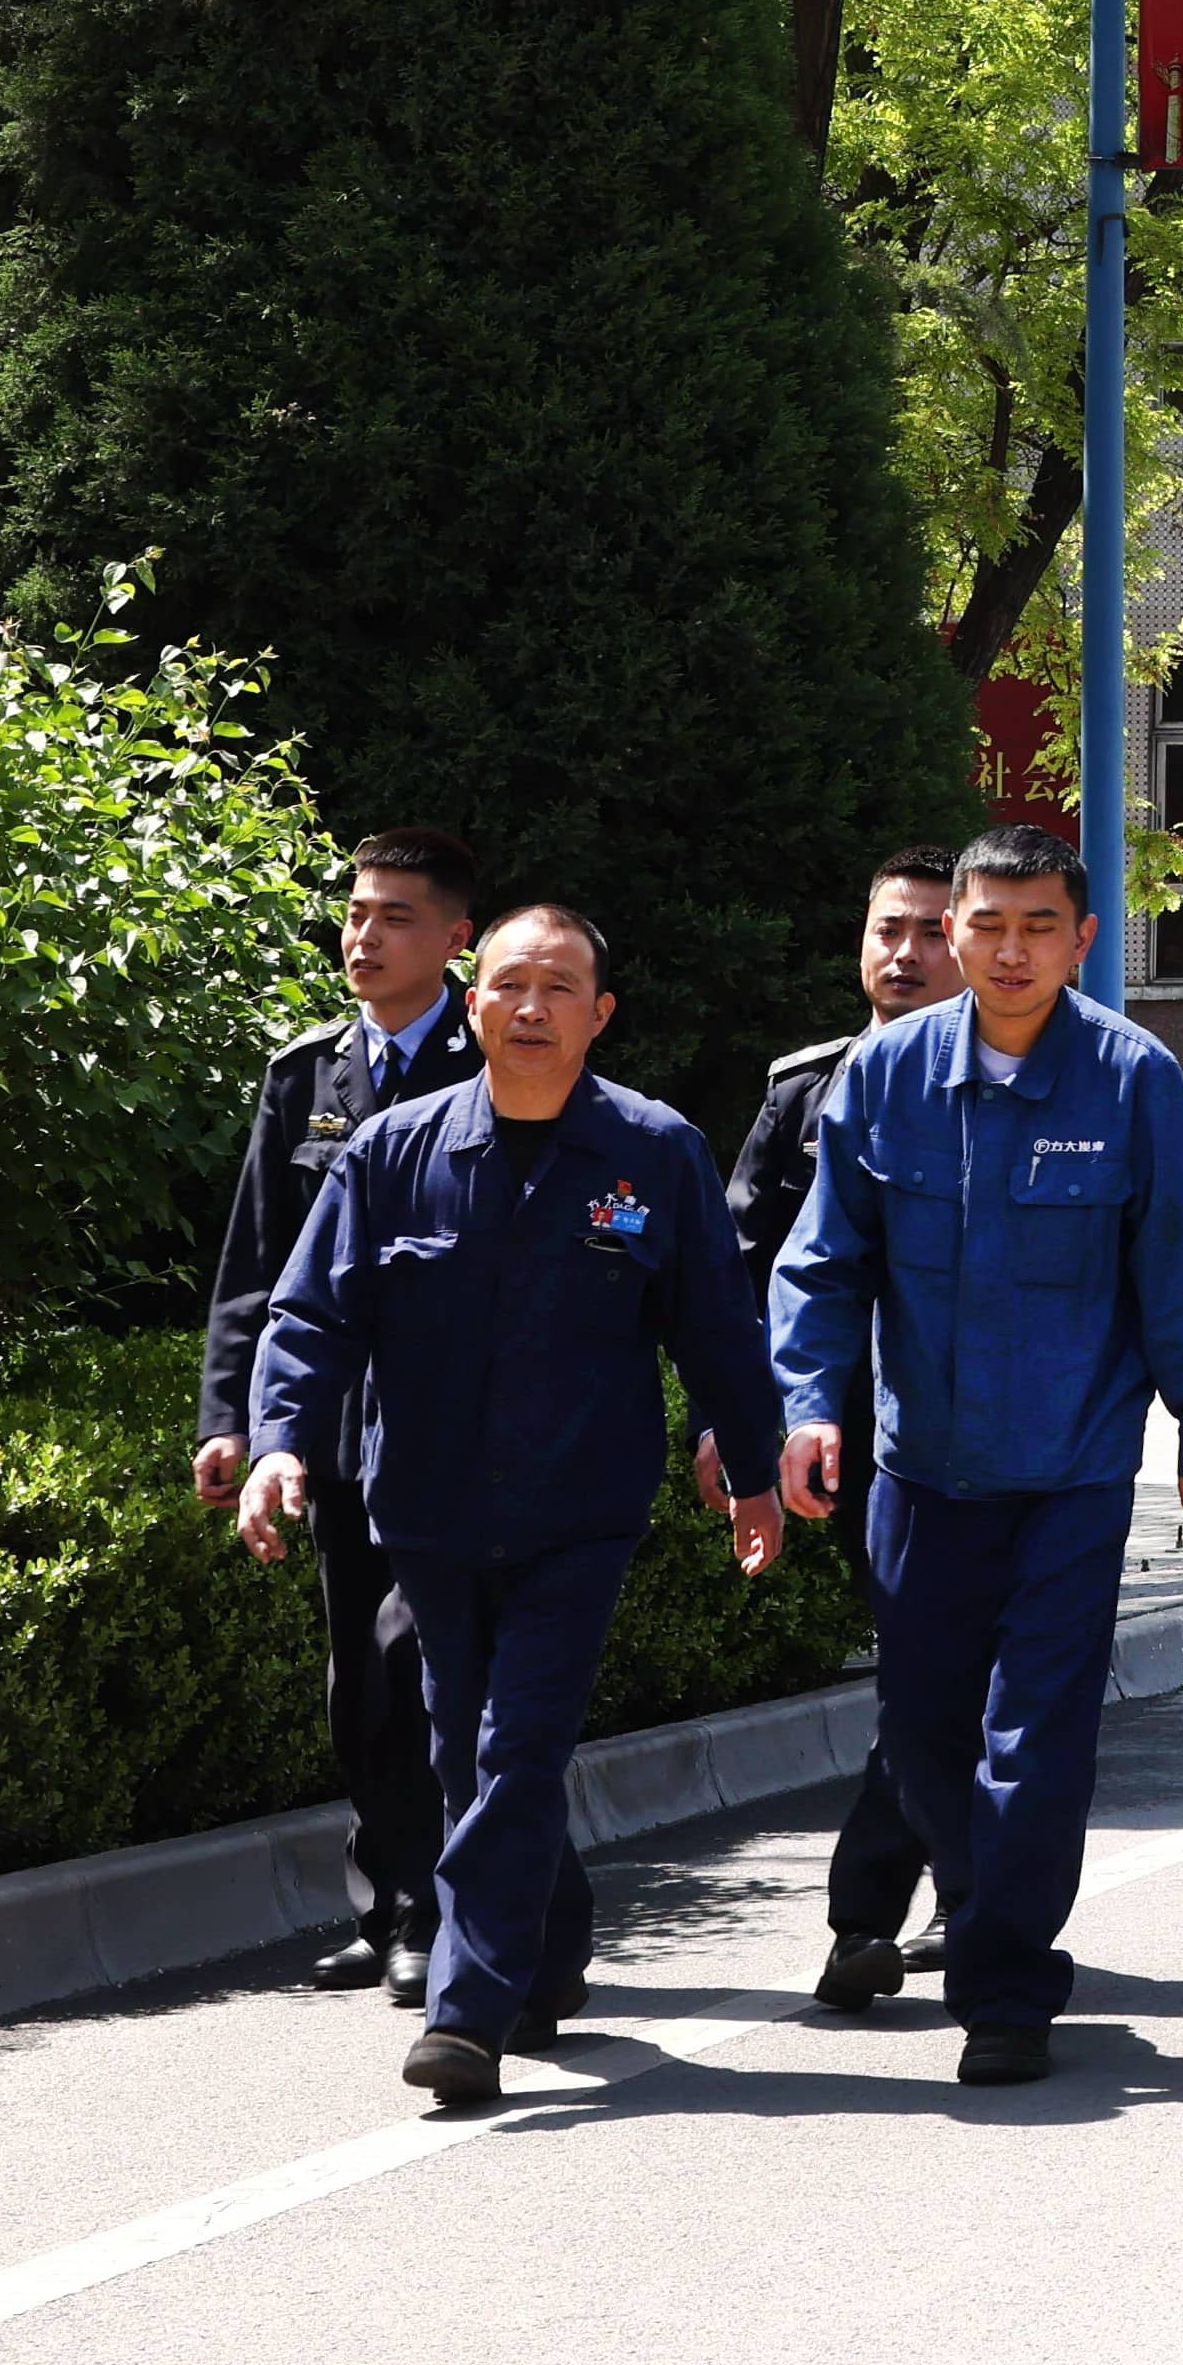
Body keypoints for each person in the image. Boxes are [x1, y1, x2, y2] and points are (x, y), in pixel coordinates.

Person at [243, 903, 781, 2109]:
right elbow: (313, 1315)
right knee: (463, 1749)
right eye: (509, 985)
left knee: (518, 1743)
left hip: (578, 1512)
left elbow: (715, 1327)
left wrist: (751, 1470)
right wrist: (279, 1444)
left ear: (600, 1014)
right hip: (429, 1510)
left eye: (559, 988)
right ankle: (547, 1949)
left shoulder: (655, 1152)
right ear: (473, 1000)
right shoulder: (394, 1151)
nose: (531, 1008)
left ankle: (469, 2011)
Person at [770, 824, 1183, 2087]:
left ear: (1083, 938)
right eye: (986, 924)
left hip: (1071, 1475)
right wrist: (810, 1404)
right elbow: (823, 1260)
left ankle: (1003, 1988)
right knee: (923, 1731)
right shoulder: (887, 1075)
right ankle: (989, 1913)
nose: (1011, 949)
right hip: (922, 1471)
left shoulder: (1130, 1077)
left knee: (1036, 1740)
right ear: (955, 932)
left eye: (1040, 926)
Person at [196, 827, 481, 2005]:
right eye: (357, 913)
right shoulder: (305, 1076)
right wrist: (234, 1419)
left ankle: (438, 1908)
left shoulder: (498, 1053)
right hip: (341, 1430)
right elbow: (257, 1268)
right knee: (357, 1675)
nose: (364, 936)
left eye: (395, 916)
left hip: (463, 1429)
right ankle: (387, 1905)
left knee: (426, 1664)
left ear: (456, 937)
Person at [730, 851, 957, 2004]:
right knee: (926, 1668)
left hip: (995, 1430)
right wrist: (739, 1422)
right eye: (887, 930)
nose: (904, 954)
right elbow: (743, 1270)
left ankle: (913, 1904)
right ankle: (920, 1904)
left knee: (948, 1671)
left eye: (931, 932)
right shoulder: (806, 1090)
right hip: (848, 1433)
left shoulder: (1030, 1083)